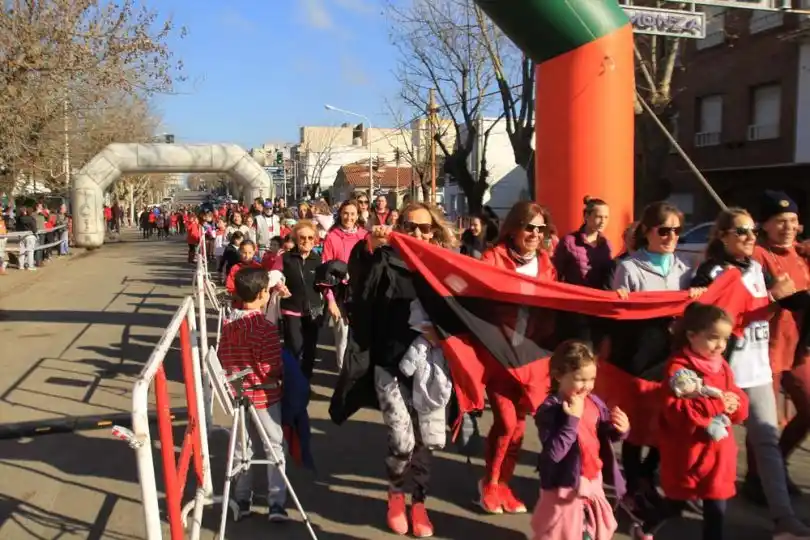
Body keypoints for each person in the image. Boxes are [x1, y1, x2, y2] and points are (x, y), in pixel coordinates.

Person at [332, 202, 457, 537]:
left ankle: (419, 503)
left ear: (434, 231)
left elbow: (466, 310)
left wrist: (441, 334)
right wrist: (370, 245)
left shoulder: (443, 265)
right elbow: (358, 278)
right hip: (389, 365)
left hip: (433, 369)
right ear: (398, 226)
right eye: (409, 226)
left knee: (426, 443)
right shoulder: (385, 259)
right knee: (402, 441)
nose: (417, 233)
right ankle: (395, 495)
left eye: (424, 228)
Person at [690, 207, 810, 540]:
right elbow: (712, 317)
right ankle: (686, 509)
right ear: (723, 236)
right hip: (722, 374)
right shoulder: (713, 270)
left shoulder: (757, 267)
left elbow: (777, 302)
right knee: (711, 447)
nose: (749, 237)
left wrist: (795, 299)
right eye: (741, 231)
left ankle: (783, 518)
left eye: (752, 231)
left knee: (767, 443)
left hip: (757, 371)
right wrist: (772, 297)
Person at [611, 201, 703, 517]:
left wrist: (699, 297)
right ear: (648, 232)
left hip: (673, 360)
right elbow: (616, 318)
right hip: (638, 360)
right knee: (637, 429)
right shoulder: (629, 268)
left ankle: (649, 476)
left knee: (669, 424)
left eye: (676, 230)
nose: (671, 236)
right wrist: (622, 301)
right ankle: (633, 487)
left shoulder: (685, 271)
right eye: (664, 230)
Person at [479, 201, 556, 515]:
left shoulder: (547, 265)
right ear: (514, 228)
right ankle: (489, 483)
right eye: (529, 227)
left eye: (540, 229)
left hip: (532, 359)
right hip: (499, 357)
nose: (535, 234)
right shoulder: (492, 258)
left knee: (520, 427)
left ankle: (504, 485)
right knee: (506, 422)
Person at [532, 340, 629, 540]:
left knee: (595, 531)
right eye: (580, 379)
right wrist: (572, 420)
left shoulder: (593, 402)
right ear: (559, 376)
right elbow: (553, 454)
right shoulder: (550, 410)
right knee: (559, 534)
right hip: (563, 485)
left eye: (592, 379)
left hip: (592, 480)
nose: (587, 386)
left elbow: (604, 434)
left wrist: (621, 429)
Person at [749, 191, 810, 503]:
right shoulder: (758, 256)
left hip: (799, 349)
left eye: (793, 221)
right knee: (764, 423)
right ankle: (758, 479)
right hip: (765, 349)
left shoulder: (800, 255)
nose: (787, 227)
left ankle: (777, 464)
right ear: (766, 225)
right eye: (780, 221)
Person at [218, 267, 288, 521]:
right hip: (264, 396)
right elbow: (271, 368)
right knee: (274, 447)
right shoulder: (265, 328)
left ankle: (242, 497)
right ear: (262, 294)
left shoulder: (228, 327)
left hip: (238, 396)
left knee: (242, 448)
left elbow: (222, 358)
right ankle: (276, 503)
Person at [269, 220, 324, 380]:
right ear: (295, 239)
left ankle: (305, 383)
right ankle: (291, 381)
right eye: (302, 237)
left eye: (309, 238)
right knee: (294, 346)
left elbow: (325, 285)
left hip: (313, 310)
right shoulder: (285, 257)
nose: (306, 241)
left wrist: (332, 301)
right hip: (291, 308)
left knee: (310, 349)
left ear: (315, 239)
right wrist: (279, 286)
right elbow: (274, 275)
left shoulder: (318, 259)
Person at [322, 200, 369, 370]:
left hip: (361, 291)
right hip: (340, 292)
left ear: (358, 215)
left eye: (352, 214)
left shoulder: (365, 236)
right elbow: (325, 271)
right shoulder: (332, 236)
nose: (348, 217)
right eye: (345, 213)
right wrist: (330, 300)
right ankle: (343, 376)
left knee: (361, 336)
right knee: (342, 336)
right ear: (340, 214)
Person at [553, 197, 613, 288]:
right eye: (598, 217)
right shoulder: (569, 242)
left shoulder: (606, 245)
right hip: (575, 298)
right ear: (586, 216)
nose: (603, 222)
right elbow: (555, 273)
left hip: (599, 299)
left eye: (606, 217)